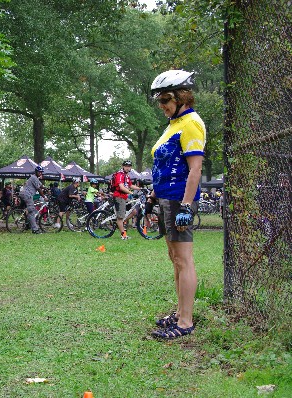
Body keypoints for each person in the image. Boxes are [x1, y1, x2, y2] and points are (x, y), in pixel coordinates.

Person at [147, 69, 205, 340]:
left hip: (180, 199)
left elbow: (195, 170)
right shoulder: (173, 124)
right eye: (160, 101)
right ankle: (180, 312)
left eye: (166, 100)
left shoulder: (191, 123)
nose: (162, 106)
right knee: (175, 259)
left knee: (183, 260)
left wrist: (185, 205)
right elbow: (163, 166)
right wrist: (153, 196)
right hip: (167, 199)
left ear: (182, 97)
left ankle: (185, 321)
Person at [112, 160, 141, 240]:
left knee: (133, 211)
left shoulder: (127, 176)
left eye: (129, 166)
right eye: (126, 166)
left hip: (124, 196)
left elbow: (130, 185)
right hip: (119, 196)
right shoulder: (120, 175)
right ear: (123, 166)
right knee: (120, 217)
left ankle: (119, 222)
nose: (128, 168)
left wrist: (140, 188)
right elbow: (121, 187)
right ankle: (123, 235)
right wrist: (130, 193)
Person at [19, 165, 46, 234]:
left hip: (25, 194)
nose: (41, 173)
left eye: (41, 172)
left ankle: (27, 225)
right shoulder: (34, 178)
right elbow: (39, 189)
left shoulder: (35, 178)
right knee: (31, 212)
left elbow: (41, 186)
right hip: (27, 195)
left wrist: (47, 189)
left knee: (30, 209)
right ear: (36, 172)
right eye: (39, 172)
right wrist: (44, 197)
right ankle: (35, 229)